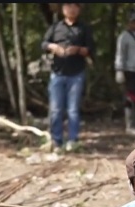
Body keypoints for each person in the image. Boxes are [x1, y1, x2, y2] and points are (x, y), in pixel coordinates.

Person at [41, 3, 95, 153]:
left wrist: (77, 50)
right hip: (57, 73)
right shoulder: (55, 27)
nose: (71, 9)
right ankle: (56, 141)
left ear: (79, 9)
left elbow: (90, 49)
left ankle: (73, 140)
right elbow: (44, 43)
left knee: (72, 110)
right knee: (56, 109)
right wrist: (53, 47)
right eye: (68, 6)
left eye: (74, 6)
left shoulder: (83, 28)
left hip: (76, 74)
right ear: (63, 9)